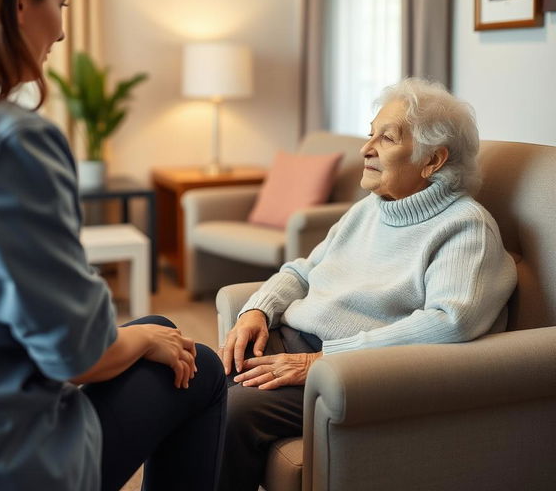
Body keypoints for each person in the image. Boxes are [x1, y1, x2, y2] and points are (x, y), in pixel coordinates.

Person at [0, 0, 226, 491]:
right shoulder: (5, 142)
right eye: (59, 5)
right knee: (200, 367)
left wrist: (141, 334)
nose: (60, 29)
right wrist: (136, 338)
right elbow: (75, 354)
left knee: (160, 327)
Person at [218, 78, 517, 491]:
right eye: (370, 133)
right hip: (291, 341)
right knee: (192, 378)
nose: (366, 148)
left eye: (387, 138)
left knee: (230, 410)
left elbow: (452, 322)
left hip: (349, 372)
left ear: (433, 160)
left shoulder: (465, 227)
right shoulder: (371, 209)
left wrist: (327, 361)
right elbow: (304, 270)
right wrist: (257, 309)